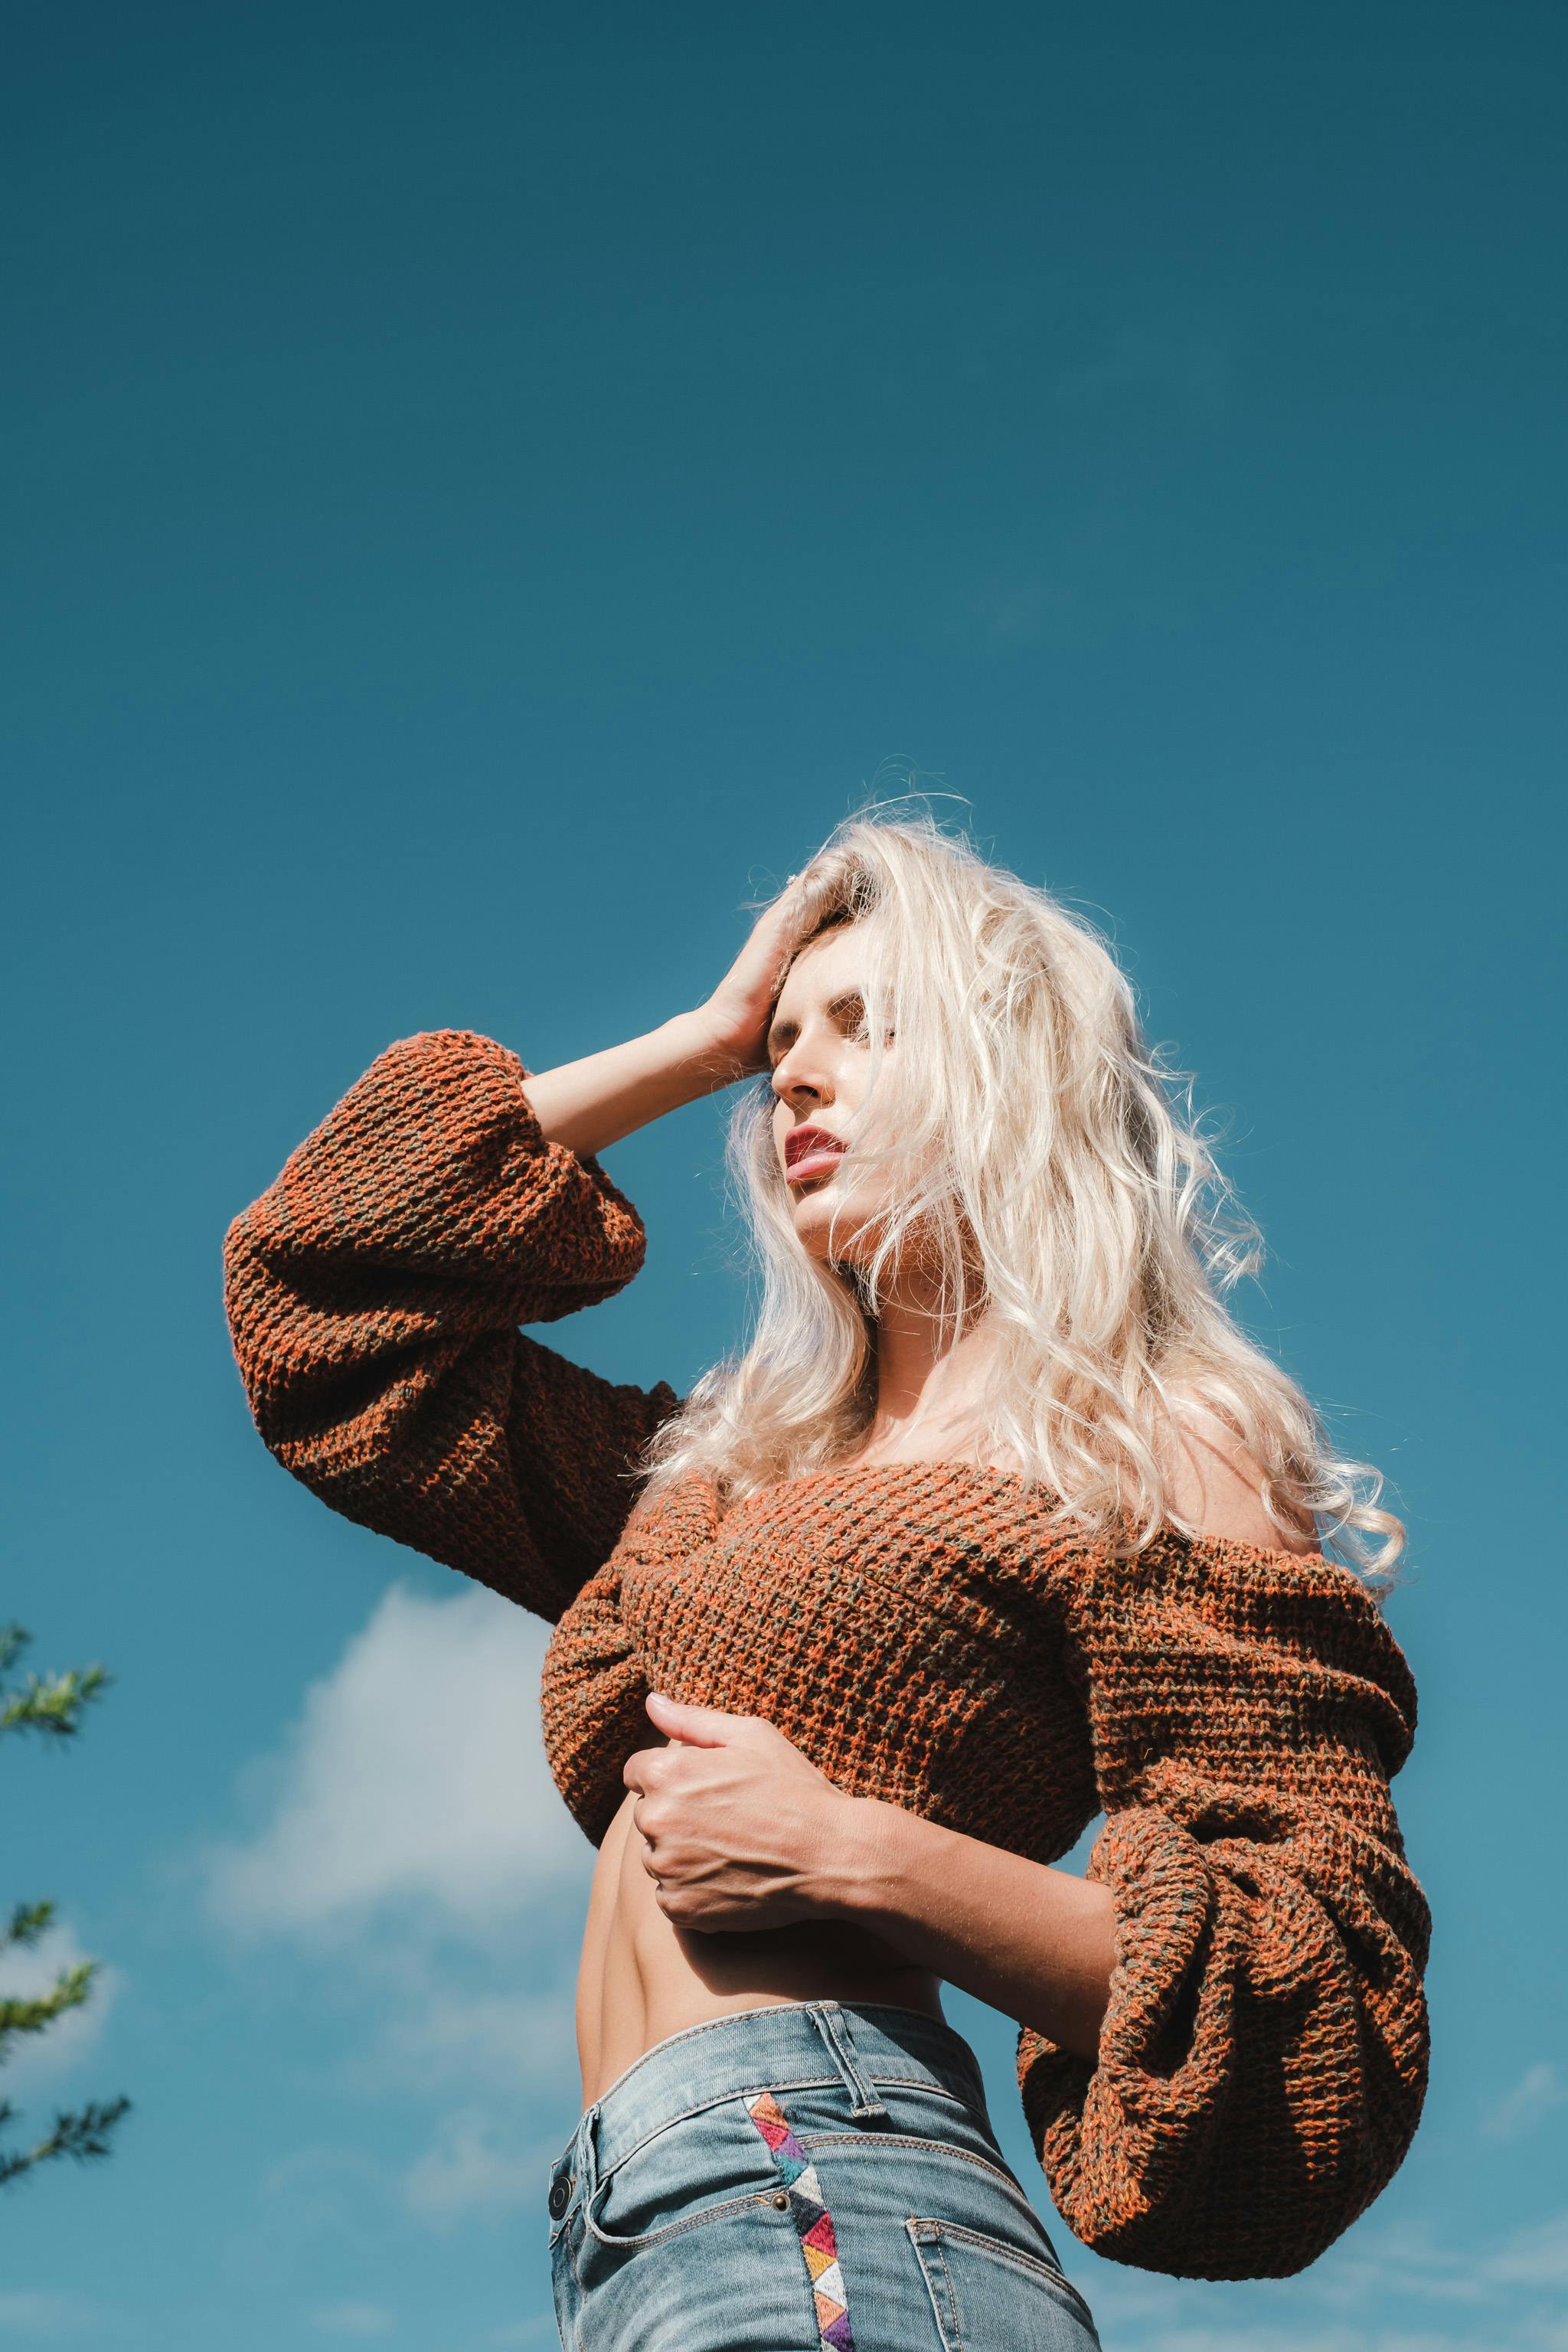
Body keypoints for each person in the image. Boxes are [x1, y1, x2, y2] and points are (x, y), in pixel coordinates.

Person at [224, 814, 1429, 2350]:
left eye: (867, 1026)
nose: (794, 1073)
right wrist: (695, 1037)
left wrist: (853, 1853)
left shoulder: (1149, 1447)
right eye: (782, 1042)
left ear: (1012, 1067)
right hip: (630, 2215)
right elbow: (320, 1298)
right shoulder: (718, 1481)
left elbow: (1312, 2002)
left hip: (826, 2181)